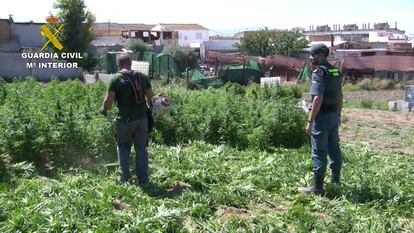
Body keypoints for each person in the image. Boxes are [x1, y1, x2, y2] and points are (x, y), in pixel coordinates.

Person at [100, 54, 153, 185]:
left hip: (124, 120)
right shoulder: (142, 77)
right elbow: (151, 99)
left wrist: (104, 110)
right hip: (142, 120)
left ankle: (125, 178)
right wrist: (150, 112)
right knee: (141, 148)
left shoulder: (115, 79)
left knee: (123, 147)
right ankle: (143, 179)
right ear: (130, 64)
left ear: (118, 65)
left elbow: (108, 102)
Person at [298, 43, 343, 195]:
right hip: (333, 115)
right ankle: (335, 183)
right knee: (334, 149)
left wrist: (310, 121)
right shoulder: (335, 71)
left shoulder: (319, 72)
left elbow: (317, 98)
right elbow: (340, 96)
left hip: (321, 118)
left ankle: (317, 188)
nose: (311, 60)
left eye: (312, 57)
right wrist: (338, 114)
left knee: (319, 151)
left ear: (321, 56)